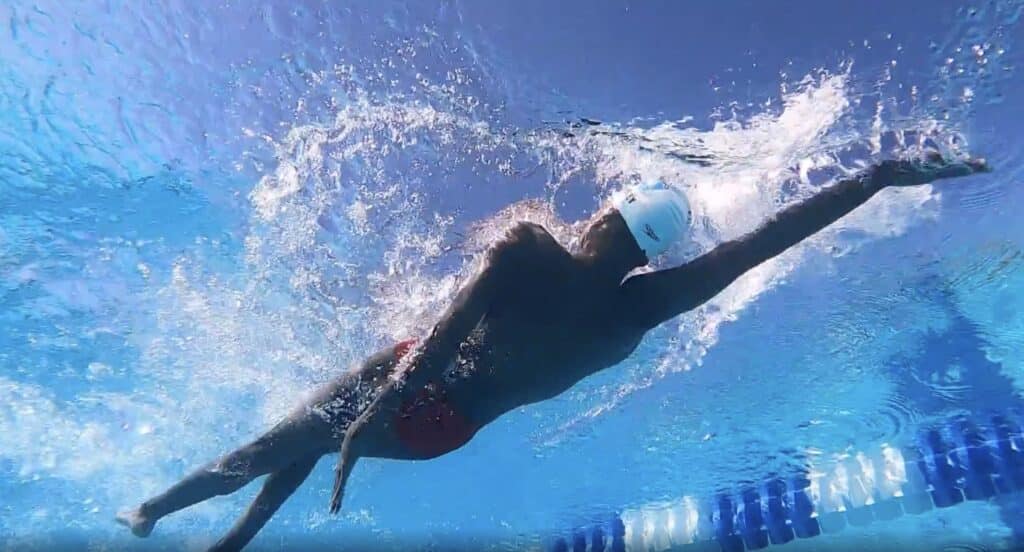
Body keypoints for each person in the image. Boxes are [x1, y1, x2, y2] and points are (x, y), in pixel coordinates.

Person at [116, 154, 988, 550]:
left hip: (415, 385)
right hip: (444, 428)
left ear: (610, 216)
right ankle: (224, 541)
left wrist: (380, 405)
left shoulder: (531, 251)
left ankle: (151, 510)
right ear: (648, 252)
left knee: (276, 444)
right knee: (301, 440)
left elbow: (448, 335)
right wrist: (872, 181)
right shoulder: (641, 308)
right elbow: (759, 245)